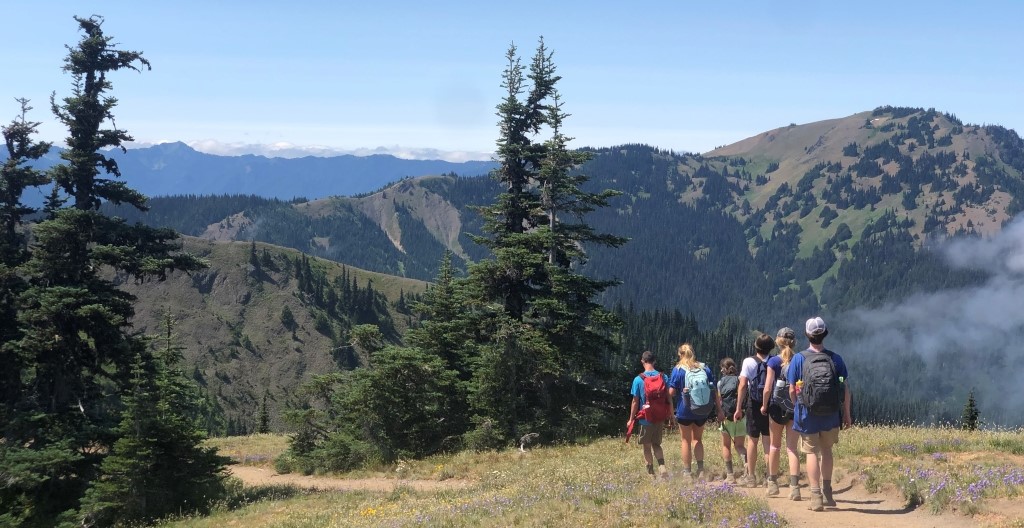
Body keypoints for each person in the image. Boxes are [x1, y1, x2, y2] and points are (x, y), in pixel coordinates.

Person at [788, 316, 852, 512]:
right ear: (825, 334)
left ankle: (815, 496)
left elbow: (792, 389)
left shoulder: (799, 359)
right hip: (831, 413)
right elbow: (845, 388)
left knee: (811, 452)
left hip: (807, 413)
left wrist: (797, 404)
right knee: (827, 451)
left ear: (807, 335)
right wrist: (846, 414)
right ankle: (828, 494)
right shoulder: (835, 359)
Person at [669, 343, 724, 482]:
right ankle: (700, 470)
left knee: (685, 440)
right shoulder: (704, 368)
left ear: (680, 354)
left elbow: (671, 391)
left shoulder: (678, 369)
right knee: (698, 440)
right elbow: (714, 391)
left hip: (684, 410)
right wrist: (719, 410)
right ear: (693, 353)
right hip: (702, 410)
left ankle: (687, 473)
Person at [760, 327, 801, 500]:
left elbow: (768, 388)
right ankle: (795, 487)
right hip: (794, 406)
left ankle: (773, 484)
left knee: (774, 446)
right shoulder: (800, 360)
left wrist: (764, 406)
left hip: (776, 408)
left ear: (777, 342)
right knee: (792, 447)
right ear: (794, 342)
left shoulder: (773, 362)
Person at [734, 333, 774, 487]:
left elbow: (743, 385)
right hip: (770, 404)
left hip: (754, 403)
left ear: (755, 346)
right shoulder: (774, 361)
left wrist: (739, 407)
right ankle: (770, 477)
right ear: (771, 347)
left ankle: (751, 477)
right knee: (768, 441)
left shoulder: (748, 362)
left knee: (752, 440)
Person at [628, 350, 673, 479]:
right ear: (654, 361)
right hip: (659, 417)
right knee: (657, 445)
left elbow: (635, 401)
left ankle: (651, 474)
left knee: (647, 447)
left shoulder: (638, 379)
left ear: (642, 361)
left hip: (645, 419)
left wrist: (631, 419)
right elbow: (668, 398)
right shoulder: (663, 377)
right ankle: (662, 467)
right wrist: (671, 415)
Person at [717, 357, 746, 484]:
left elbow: (720, 400)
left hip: (726, 417)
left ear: (723, 369)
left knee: (726, 445)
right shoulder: (741, 380)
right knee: (739, 445)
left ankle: (730, 475)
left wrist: (720, 413)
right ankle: (748, 469)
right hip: (740, 416)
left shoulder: (720, 383)